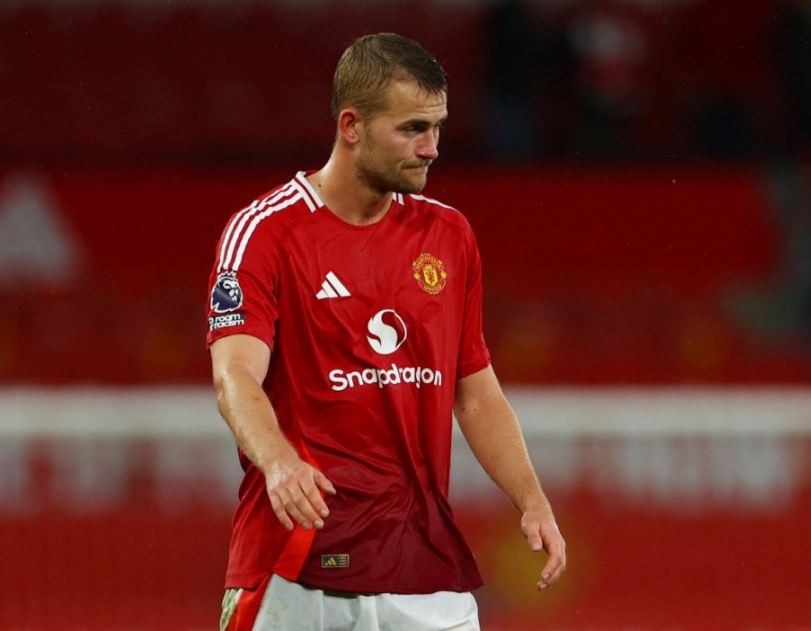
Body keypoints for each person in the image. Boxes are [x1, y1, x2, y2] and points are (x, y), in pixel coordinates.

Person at [206, 33, 566, 631]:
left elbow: (474, 388)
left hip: (423, 569)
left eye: (438, 127)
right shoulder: (266, 232)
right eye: (412, 129)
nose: (431, 148)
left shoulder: (448, 236)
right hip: (297, 568)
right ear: (351, 125)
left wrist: (531, 499)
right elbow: (234, 374)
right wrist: (278, 461)